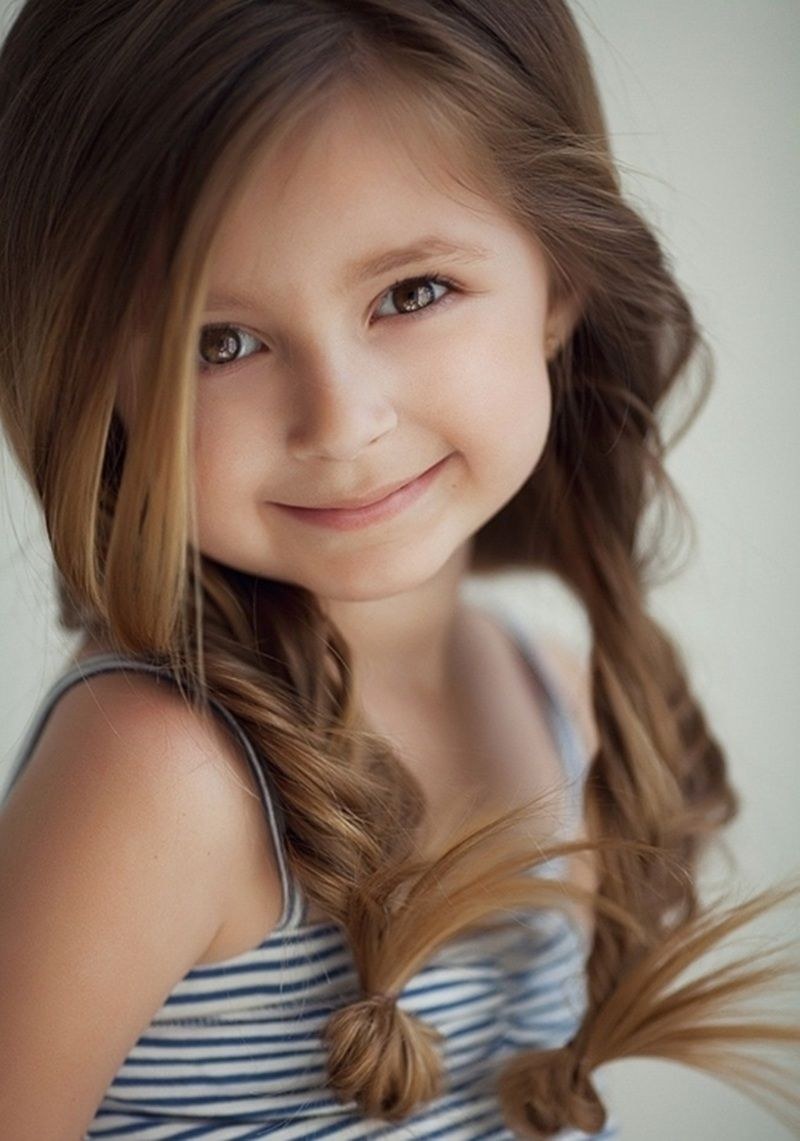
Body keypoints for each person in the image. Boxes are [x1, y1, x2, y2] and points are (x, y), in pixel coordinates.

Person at [0, 1, 797, 1137]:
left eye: (411, 293)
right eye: (219, 342)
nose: (340, 421)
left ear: (560, 284)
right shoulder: (161, 771)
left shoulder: (555, 695)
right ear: (93, 379)